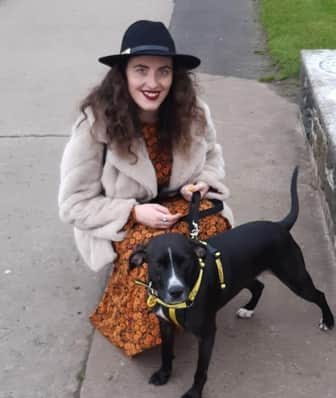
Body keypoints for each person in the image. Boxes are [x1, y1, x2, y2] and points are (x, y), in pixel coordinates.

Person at [58, 20, 233, 357]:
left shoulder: (193, 113)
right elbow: (73, 204)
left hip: (180, 206)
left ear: (174, 76)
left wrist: (202, 183)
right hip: (124, 218)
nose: (152, 83)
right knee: (151, 254)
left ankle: (194, 301)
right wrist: (133, 211)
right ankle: (154, 314)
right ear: (122, 74)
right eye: (141, 70)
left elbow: (213, 155)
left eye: (163, 72)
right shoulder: (94, 125)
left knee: (215, 233)